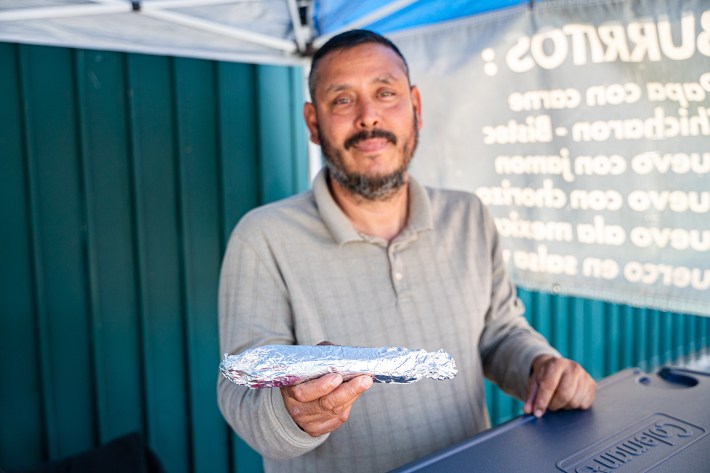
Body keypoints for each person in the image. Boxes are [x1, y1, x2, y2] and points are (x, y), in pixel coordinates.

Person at [217, 29, 596, 472]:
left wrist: (541, 366)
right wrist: (292, 414)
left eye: (385, 92)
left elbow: (499, 333)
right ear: (313, 123)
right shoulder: (263, 237)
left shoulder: (468, 216)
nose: (368, 117)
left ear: (415, 107)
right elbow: (240, 391)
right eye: (342, 99)